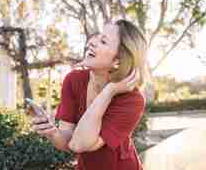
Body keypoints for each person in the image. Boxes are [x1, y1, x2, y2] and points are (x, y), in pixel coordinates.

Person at [31, 19, 149, 170]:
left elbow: (79, 144)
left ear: (117, 61)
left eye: (103, 41)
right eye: (98, 37)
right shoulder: (74, 80)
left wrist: (109, 91)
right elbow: (70, 142)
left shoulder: (132, 100)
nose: (92, 42)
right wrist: (52, 133)